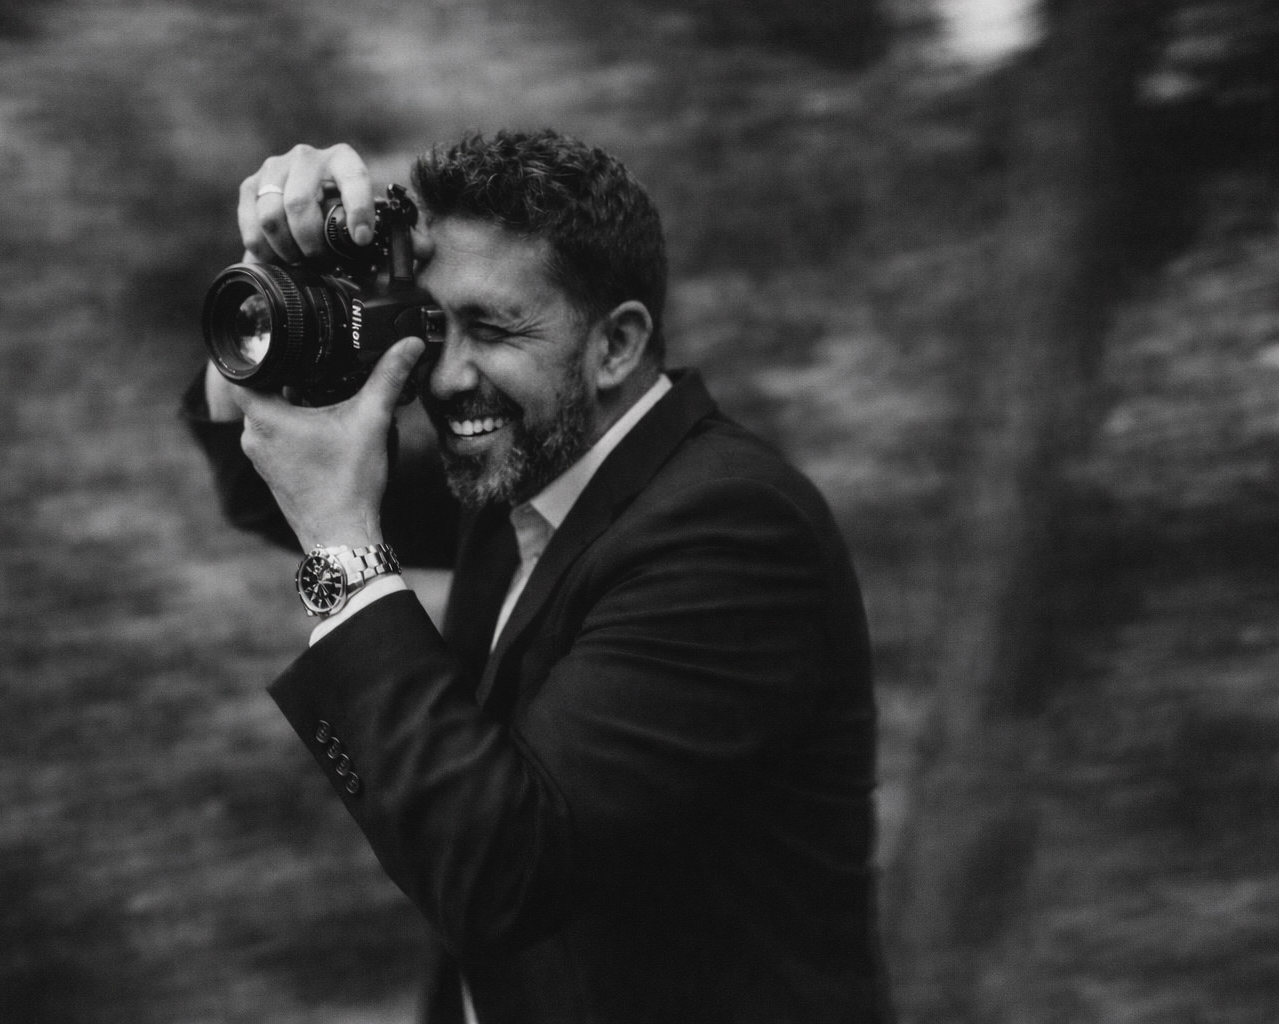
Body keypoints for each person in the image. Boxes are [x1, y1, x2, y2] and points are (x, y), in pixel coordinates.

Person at [181, 129, 886, 1024]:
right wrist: (270, 274)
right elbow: (259, 482)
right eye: (435, 327)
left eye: (495, 329)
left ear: (616, 346)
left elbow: (498, 871)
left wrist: (343, 543)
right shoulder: (530, 466)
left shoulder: (731, 533)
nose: (446, 376)